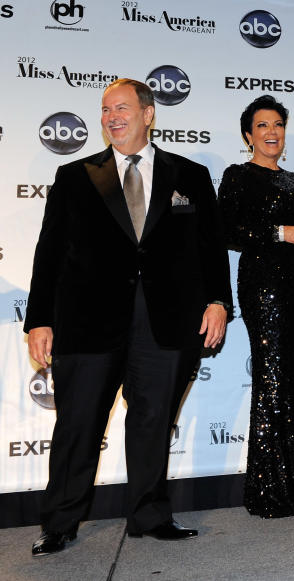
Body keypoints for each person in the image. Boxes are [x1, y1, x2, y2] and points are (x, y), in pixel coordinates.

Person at [24, 79, 231, 555]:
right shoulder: (75, 176)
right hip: (88, 324)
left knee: (153, 423)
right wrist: (39, 319)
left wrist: (218, 301)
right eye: (104, 110)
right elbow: (49, 252)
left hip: (167, 323)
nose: (111, 117)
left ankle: (150, 515)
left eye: (121, 108)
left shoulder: (191, 175)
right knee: (78, 425)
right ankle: (60, 522)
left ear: (148, 114)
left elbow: (210, 248)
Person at [218, 95, 294, 517]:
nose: (272, 132)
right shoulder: (237, 176)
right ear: (249, 135)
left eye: (278, 125)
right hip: (265, 287)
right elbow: (228, 230)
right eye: (263, 126)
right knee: (274, 378)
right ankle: (272, 489)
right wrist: (281, 233)